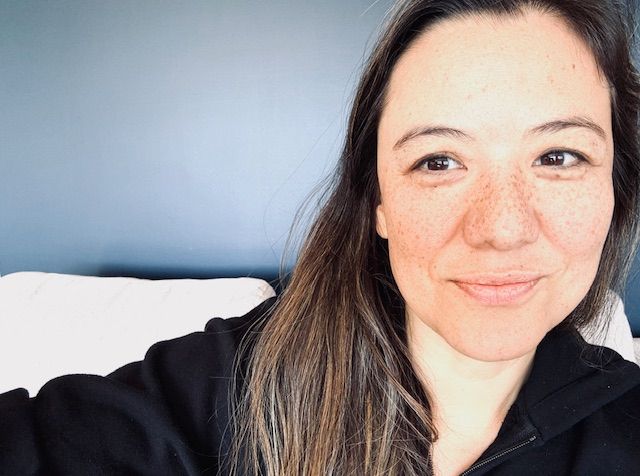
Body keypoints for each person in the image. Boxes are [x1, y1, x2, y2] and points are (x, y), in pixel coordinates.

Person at [1, 0, 639, 474]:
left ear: (616, 188)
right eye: (438, 161)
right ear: (378, 204)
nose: (501, 229)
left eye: (559, 157)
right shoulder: (232, 386)